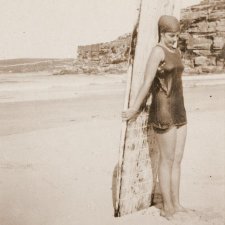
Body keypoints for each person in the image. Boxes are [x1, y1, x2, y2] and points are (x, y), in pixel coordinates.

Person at [122, 15, 187, 219]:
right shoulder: (157, 52)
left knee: (177, 160)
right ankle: (167, 207)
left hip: (179, 107)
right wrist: (134, 108)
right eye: (170, 35)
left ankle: (176, 203)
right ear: (162, 33)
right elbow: (147, 82)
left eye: (176, 35)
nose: (174, 39)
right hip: (163, 109)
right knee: (166, 160)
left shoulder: (175, 50)